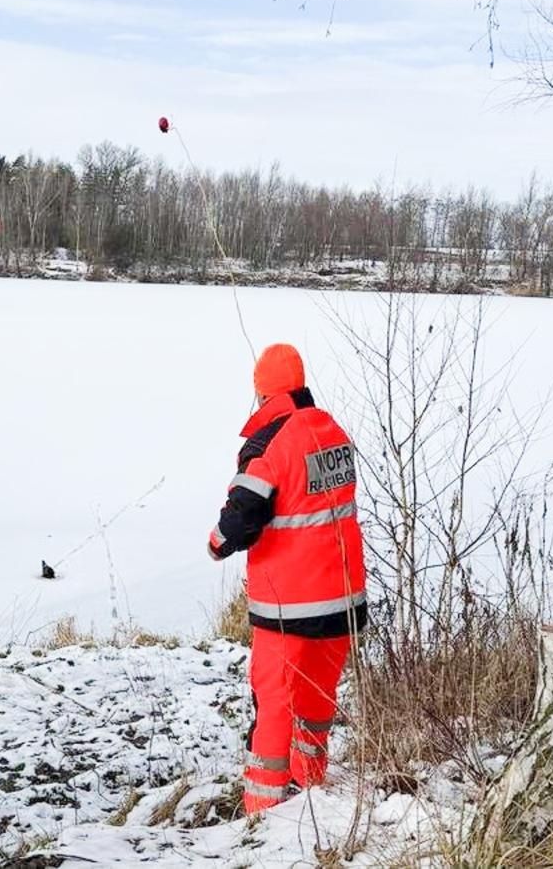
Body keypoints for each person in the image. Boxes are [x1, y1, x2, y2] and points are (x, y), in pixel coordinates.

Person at [206, 344, 369, 814]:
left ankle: (261, 812)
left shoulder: (267, 445)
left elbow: (240, 520)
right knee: (318, 697)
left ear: (261, 393)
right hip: (342, 595)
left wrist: (216, 543)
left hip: (289, 605)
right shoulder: (332, 430)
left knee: (275, 700)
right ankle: (309, 786)